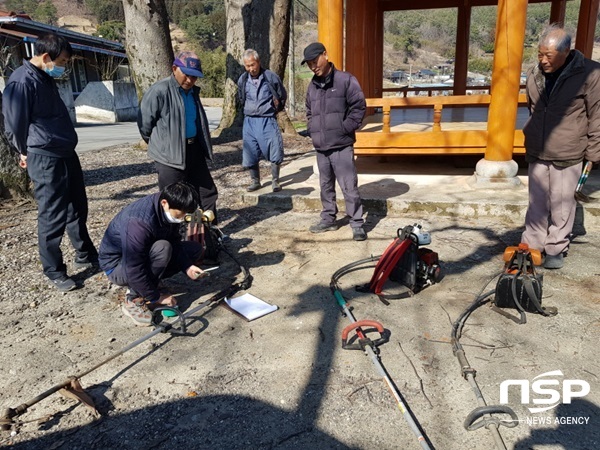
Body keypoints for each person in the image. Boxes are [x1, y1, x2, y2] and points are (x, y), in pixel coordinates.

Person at [2, 33, 98, 292]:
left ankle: (84, 253)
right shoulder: (21, 82)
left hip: (65, 151)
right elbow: (13, 123)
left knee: (77, 206)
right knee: (52, 215)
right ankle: (54, 270)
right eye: (63, 61)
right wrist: (23, 151)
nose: (64, 66)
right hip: (44, 156)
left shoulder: (45, 78)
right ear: (46, 57)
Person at [521, 24, 600, 269]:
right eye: (540, 54)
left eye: (549, 56)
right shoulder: (534, 71)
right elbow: (532, 106)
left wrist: (594, 150)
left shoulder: (591, 73)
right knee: (536, 202)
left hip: (569, 149)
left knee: (562, 202)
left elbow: (597, 113)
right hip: (538, 147)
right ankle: (532, 244)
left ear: (566, 52)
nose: (543, 60)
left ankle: (556, 245)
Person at [98, 182, 209, 327]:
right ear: (165, 203)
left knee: (194, 249)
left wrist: (187, 266)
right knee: (163, 248)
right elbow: (133, 267)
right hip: (118, 266)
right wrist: (157, 297)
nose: (182, 219)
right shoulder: (138, 223)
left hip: (144, 254)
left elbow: (174, 242)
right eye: (180, 214)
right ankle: (133, 297)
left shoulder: (169, 206)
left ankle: (150, 283)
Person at [138, 51, 218, 222]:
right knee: (174, 198)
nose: (190, 80)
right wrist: (163, 145)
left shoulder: (192, 92)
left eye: (195, 77)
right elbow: (145, 125)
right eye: (187, 75)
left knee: (207, 192)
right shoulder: (159, 91)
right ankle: (175, 236)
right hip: (169, 156)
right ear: (175, 68)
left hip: (194, 149)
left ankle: (211, 232)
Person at [302, 42, 367, 241]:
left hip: (341, 146)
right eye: (309, 64)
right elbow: (309, 112)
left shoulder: (346, 80)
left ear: (325, 55)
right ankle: (328, 218)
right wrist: (314, 130)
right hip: (321, 147)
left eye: (315, 61)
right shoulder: (312, 86)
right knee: (325, 186)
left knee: (349, 185)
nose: (313, 67)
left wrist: (343, 129)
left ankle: (356, 222)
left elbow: (359, 107)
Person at [237, 49, 287, 192]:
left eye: (253, 64)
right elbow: (241, 98)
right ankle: (255, 181)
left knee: (274, 147)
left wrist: (276, 109)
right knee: (250, 150)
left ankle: (275, 181)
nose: (251, 69)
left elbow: (281, 94)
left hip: (267, 119)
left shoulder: (270, 77)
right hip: (249, 121)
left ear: (258, 62)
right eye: (248, 66)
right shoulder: (243, 79)